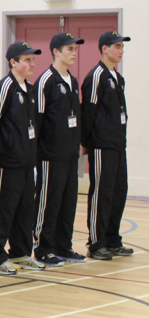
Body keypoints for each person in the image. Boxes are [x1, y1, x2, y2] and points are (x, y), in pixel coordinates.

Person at [0, 42, 44, 274]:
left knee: (24, 209)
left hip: (26, 162)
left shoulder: (29, 89)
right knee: (3, 209)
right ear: (13, 62)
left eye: (33, 60)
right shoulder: (4, 88)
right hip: (6, 162)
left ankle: (20, 252)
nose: (32, 64)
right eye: (27, 60)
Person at [33, 33, 86, 264]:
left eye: (75, 49)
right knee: (48, 202)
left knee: (68, 202)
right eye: (69, 49)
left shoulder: (72, 81)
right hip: (50, 155)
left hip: (70, 154)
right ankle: (43, 247)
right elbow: (38, 119)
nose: (74, 53)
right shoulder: (46, 80)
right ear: (56, 51)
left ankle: (64, 245)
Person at [81, 31, 133, 260]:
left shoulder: (117, 77)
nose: (121, 50)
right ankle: (96, 242)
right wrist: (86, 142)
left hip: (118, 145)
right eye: (117, 46)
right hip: (101, 146)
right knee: (101, 194)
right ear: (104, 49)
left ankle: (113, 239)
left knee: (119, 192)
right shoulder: (96, 77)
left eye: (122, 46)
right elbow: (88, 112)